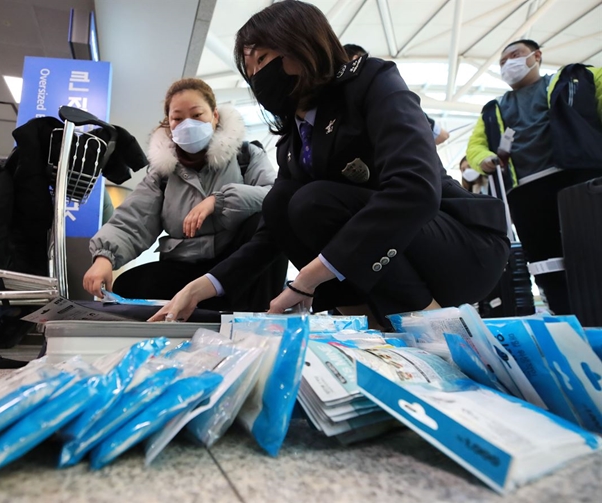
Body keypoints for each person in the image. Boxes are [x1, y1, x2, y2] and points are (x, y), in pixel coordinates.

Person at [149, 1, 509, 327]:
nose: (257, 76)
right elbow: (272, 235)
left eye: (262, 59)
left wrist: (306, 282)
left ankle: (431, 321)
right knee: (278, 205)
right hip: (399, 259)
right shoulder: (294, 139)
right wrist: (199, 288)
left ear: (299, 42)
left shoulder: (374, 82)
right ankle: (361, 318)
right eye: (249, 68)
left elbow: (415, 188)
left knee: (313, 202)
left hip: (461, 249)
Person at [83, 78, 286, 312]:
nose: (187, 124)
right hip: (186, 265)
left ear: (215, 116)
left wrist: (218, 201)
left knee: (269, 221)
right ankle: (207, 308)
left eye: (197, 115)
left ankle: (250, 314)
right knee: (127, 286)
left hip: (237, 266)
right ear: (169, 124)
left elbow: (275, 196)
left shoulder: (246, 156)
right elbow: (134, 219)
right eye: (178, 118)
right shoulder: (162, 174)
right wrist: (104, 258)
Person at [466, 39, 602, 314]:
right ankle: (564, 317)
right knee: (544, 260)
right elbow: (475, 147)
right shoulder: (493, 109)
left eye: (514, 55)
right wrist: (484, 160)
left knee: (592, 248)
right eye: (502, 62)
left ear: (536, 56)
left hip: (577, 180)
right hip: (525, 191)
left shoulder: (577, 79)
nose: (508, 64)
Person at [344, 44, 449, 145]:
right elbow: (441, 135)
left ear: (356, 60)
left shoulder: (380, 92)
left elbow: (442, 135)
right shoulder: (389, 94)